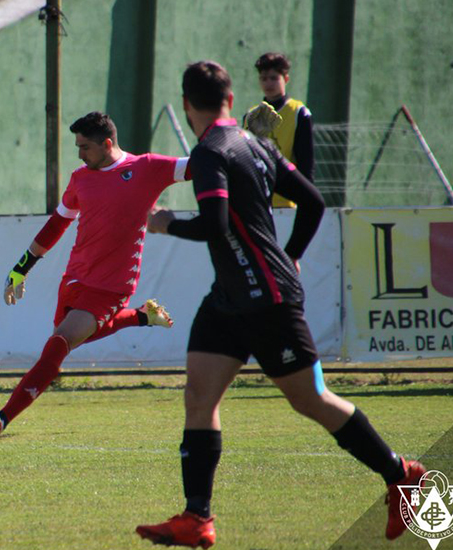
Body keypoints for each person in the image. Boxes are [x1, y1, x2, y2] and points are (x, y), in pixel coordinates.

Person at [133, 61, 425, 549]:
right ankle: (197, 517)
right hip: (230, 298)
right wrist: (291, 255)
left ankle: (402, 475)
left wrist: (164, 223)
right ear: (230, 98)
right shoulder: (259, 145)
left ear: (187, 105)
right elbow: (312, 203)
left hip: (267, 299)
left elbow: (216, 224)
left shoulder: (210, 153)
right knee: (199, 397)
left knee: (309, 399)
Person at [0, 111, 186, 438]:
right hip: (75, 277)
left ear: (107, 144)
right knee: (70, 340)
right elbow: (58, 224)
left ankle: (4, 417)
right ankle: (141, 317)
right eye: (77, 146)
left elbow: (201, 163)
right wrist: (21, 268)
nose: (79, 154)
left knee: (58, 344)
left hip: (112, 286)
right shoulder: (80, 178)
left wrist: (246, 138)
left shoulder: (146, 167)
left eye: (85, 147)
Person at [242, 52, 314, 208]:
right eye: (263, 78)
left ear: (286, 79)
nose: (268, 83)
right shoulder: (251, 116)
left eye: (274, 78)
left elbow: (306, 164)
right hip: (257, 204)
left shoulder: (299, 113)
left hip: (288, 203)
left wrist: (305, 200)